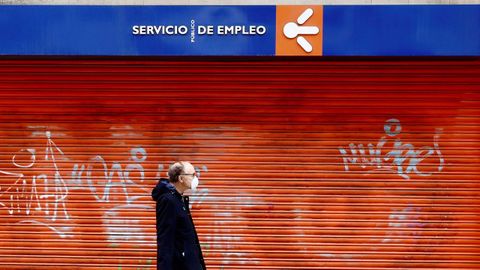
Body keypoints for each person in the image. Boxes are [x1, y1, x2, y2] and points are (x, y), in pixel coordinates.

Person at [152, 161, 206, 270]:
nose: (196, 178)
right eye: (192, 175)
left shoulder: (180, 198)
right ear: (181, 179)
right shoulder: (168, 200)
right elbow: (165, 241)